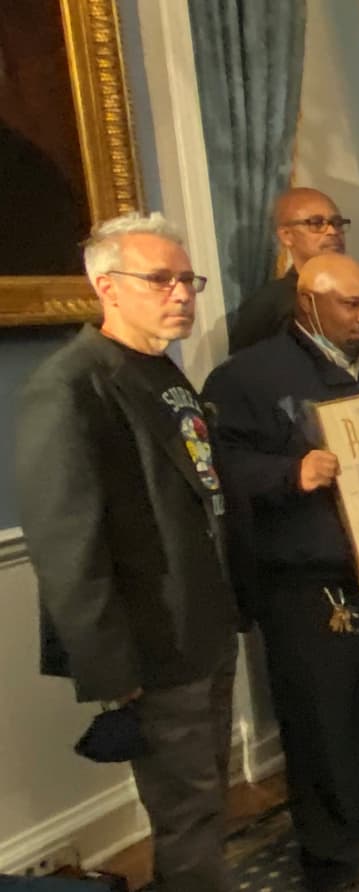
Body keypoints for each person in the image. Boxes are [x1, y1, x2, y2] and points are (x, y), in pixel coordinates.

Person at [203, 254, 359, 892]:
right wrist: (290, 474)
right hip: (305, 575)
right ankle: (327, 850)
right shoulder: (246, 377)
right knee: (322, 716)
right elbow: (216, 467)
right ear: (308, 303)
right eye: (351, 305)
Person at [17, 212, 240, 890]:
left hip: (205, 624)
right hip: (153, 644)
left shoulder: (165, 374)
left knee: (205, 798)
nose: (181, 294)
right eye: (161, 280)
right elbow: (66, 544)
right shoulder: (69, 386)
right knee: (186, 809)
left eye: (186, 280)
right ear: (107, 287)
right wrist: (111, 670)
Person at [228, 187, 359, 352]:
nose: (332, 231)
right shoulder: (267, 305)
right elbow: (246, 371)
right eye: (316, 223)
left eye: (337, 223)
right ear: (286, 235)